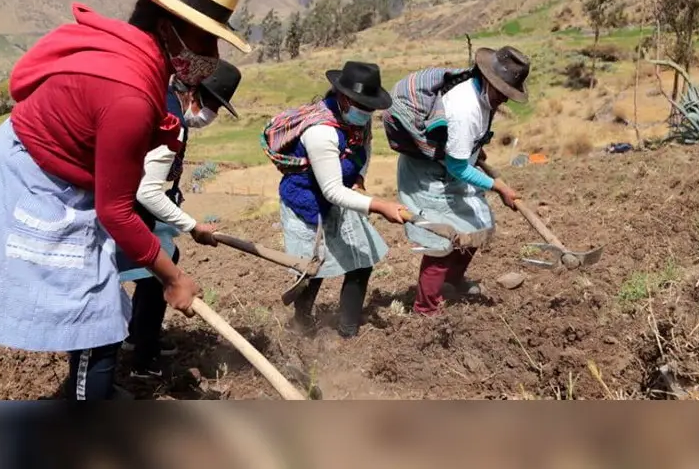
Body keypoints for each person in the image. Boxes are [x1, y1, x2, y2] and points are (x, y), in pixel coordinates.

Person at [0, 0, 252, 400]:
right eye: (206, 39)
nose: (212, 54)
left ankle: (91, 393)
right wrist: (172, 278)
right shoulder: (130, 94)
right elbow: (117, 212)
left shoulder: (133, 53)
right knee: (98, 321)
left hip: (56, 175)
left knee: (96, 306)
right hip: (33, 183)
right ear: (170, 28)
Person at [261, 61, 408, 338]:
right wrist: (380, 205)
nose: (367, 114)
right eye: (362, 107)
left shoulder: (355, 122)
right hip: (307, 202)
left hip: (341, 196)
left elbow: (365, 147)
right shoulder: (322, 131)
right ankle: (301, 325)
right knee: (312, 270)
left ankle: (348, 330)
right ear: (343, 98)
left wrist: (360, 177)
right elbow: (330, 190)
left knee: (361, 262)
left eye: (370, 108)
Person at [383, 46, 531, 316]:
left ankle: (452, 281)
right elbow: (458, 167)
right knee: (441, 240)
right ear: (489, 79)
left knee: (478, 223)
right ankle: (425, 309)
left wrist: (475, 149)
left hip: (452, 164)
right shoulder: (465, 108)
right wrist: (498, 186)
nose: (506, 100)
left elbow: (462, 147)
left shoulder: (481, 95)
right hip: (427, 174)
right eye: (503, 92)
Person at [118, 60, 243, 379]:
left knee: (162, 261)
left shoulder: (163, 98)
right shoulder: (172, 117)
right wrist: (193, 226)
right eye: (213, 104)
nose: (211, 113)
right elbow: (148, 192)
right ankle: (142, 361)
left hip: (125, 196)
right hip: (129, 201)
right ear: (193, 92)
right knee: (157, 270)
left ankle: (138, 339)